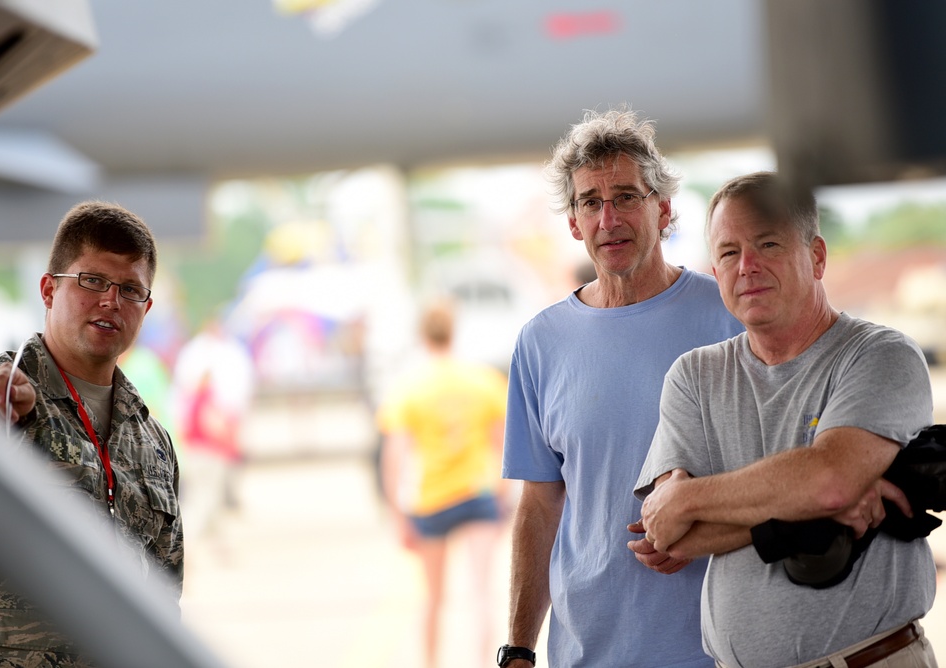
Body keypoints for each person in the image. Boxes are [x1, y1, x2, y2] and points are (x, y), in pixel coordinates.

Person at [634, 171, 937, 667]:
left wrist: (688, 497)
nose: (747, 266)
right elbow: (670, 535)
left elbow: (830, 482)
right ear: (715, 269)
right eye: (729, 252)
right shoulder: (694, 375)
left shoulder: (880, 356)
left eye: (768, 244)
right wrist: (808, 500)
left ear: (817, 256)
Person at [499, 108, 743, 668]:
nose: (609, 218)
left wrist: (705, 526)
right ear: (574, 223)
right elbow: (540, 505)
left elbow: (779, 464)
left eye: (627, 196)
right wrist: (518, 647)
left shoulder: (728, 317)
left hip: (718, 649)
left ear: (663, 209)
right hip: (585, 650)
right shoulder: (541, 342)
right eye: (590, 202)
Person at [0, 201, 183, 667]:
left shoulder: (153, 441)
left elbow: (164, 594)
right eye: (93, 281)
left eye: (131, 290)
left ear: (147, 307)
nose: (111, 301)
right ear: (49, 290)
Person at [377, 298, 509, 668]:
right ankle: (484, 663)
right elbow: (503, 448)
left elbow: (395, 459)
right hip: (477, 495)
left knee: (434, 597)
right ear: (454, 330)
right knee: (482, 593)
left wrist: (397, 513)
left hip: (431, 500)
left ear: (422, 334)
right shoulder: (484, 380)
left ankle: (431, 663)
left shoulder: (408, 387)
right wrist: (502, 498)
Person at [172, 315, 255, 542]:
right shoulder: (206, 397)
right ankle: (186, 543)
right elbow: (214, 426)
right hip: (209, 451)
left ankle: (217, 546)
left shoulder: (191, 399)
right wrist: (231, 441)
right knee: (204, 500)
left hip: (197, 448)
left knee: (208, 499)